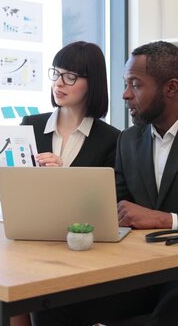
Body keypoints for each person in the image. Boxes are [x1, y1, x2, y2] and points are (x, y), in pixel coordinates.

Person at [29, 40, 178, 326]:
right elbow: (107, 206)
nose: (124, 94)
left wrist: (166, 219)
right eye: (125, 83)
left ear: (170, 88)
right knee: (50, 298)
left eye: (135, 84)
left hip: (174, 276)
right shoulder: (129, 141)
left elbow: (154, 217)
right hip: (140, 271)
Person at [0, 40, 120, 326]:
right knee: (11, 295)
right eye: (56, 73)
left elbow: (104, 204)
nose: (59, 83)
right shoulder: (31, 123)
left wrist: (62, 174)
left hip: (79, 252)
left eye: (71, 76)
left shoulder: (112, 138)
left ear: (93, 83)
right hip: (27, 242)